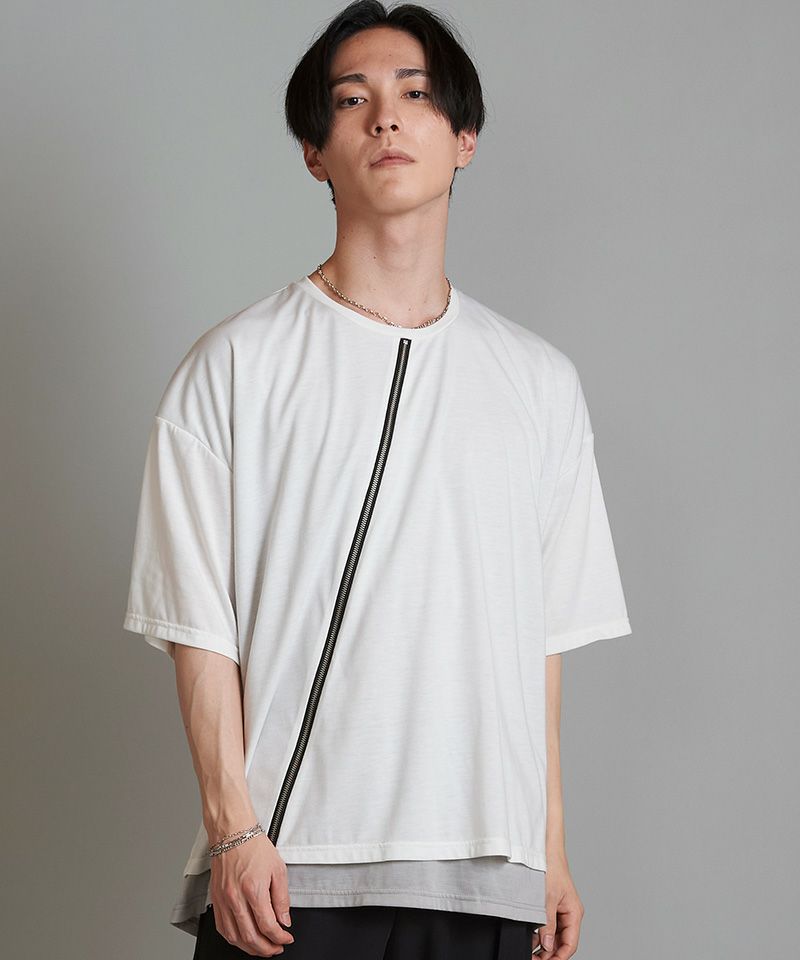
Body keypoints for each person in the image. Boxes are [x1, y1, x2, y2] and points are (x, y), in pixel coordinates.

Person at [122, 2, 633, 958]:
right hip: (286, 871)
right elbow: (196, 625)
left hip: (487, 876)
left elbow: (541, 642)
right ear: (315, 152)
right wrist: (233, 831)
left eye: (416, 94)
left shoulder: (539, 382)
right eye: (352, 99)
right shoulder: (233, 366)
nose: (386, 116)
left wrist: (550, 850)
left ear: (465, 138)